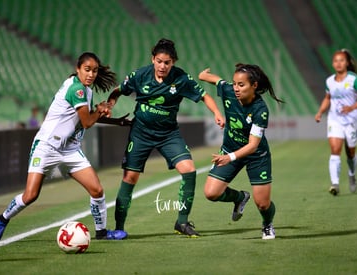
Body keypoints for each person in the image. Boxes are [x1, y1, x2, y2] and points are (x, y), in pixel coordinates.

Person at [0, 52, 117, 242]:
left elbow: (84, 119)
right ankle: (2, 219)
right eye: (87, 70)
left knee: (97, 190)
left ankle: (102, 232)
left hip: (70, 149)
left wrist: (104, 114)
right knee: (31, 195)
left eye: (95, 71)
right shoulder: (77, 90)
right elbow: (88, 122)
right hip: (47, 146)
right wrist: (99, 110)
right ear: (78, 69)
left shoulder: (85, 90)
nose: (91, 74)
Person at [106, 38, 225, 239]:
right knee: (130, 178)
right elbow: (118, 91)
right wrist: (109, 105)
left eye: (167, 63)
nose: (162, 66)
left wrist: (217, 113)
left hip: (169, 134)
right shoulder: (140, 75)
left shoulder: (181, 79)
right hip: (141, 133)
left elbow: (205, 96)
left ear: (173, 63)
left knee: (189, 170)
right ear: (153, 59)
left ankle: (182, 221)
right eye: (159, 61)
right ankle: (119, 228)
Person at [198, 64, 284, 240]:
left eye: (241, 85)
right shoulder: (229, 90)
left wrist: (229, 157)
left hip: (256, 156)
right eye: (235, 84)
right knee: (211, 193)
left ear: (254, 86)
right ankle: (239, 197)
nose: (236, 88)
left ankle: (267, 225)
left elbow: (253, 145)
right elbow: (209, 79)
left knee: (262, 204)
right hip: (230, 149)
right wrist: (204, 75)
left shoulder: (260, 110)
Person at [315, 49, 357, 195]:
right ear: (333, 64)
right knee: (335, 150)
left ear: (346, 63)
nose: (338, 63)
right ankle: (335, 184)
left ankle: (352, 175)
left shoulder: (354, 79)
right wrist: (320, 112)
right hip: (335, 119)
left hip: (352, 120)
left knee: (350, 153)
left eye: (341, 60)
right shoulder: (329, 81)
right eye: (336, 61)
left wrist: (352, 107)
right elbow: (327, 98)